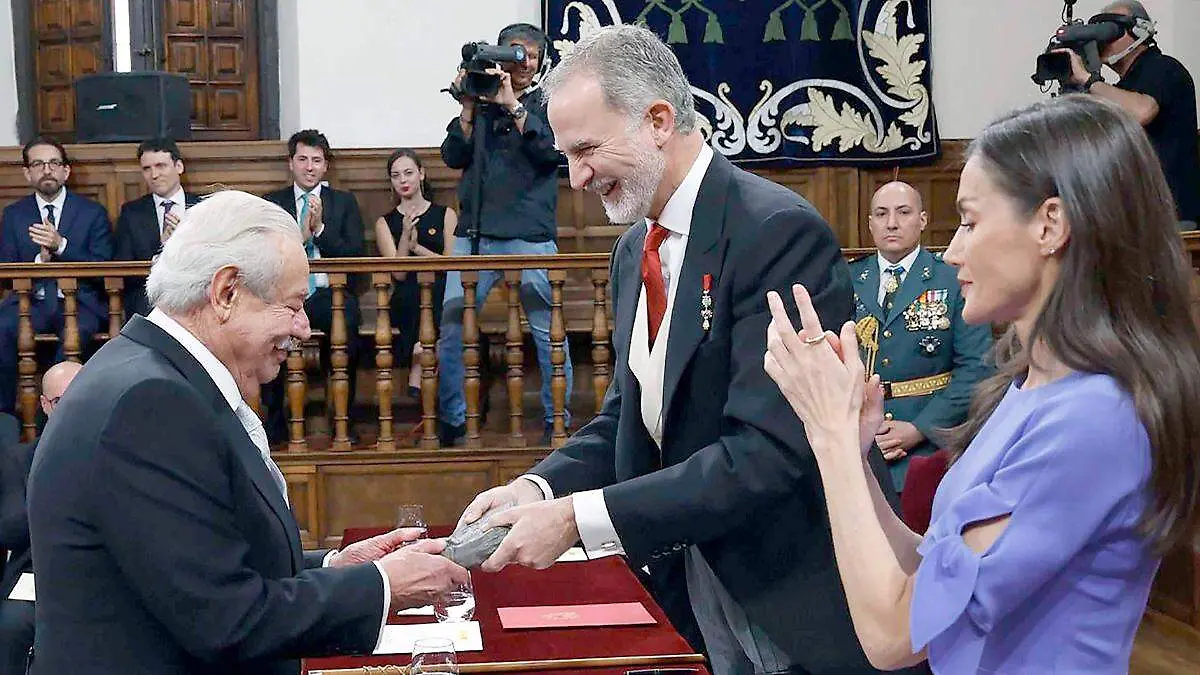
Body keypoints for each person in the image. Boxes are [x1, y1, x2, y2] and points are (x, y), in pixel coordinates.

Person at [456, 25, 919, 675]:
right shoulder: (630, 253)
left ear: (657, 120)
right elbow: (630, 415)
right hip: (701, 579)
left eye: (587, 149)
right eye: (565, 154)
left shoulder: (775, 233)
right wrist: (537, 486)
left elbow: (766, 454)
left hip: (798, 591)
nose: (576, 176)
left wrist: (576, 519)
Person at [763, 94, 1200, 673]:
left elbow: (894, 636)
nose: (953, 250)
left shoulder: (1094, 416)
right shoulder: (1031, 386)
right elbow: (930, 573)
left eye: (969, 220)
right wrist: (853, 443)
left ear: (1050, 224)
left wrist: (830, 440)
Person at [26, 190, 468, 674]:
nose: (304, 328)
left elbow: (199, 559)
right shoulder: (150, 403)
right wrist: (383, 587)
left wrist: (333, 569)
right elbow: (226, 619)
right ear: (226, 292)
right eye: (294, 304)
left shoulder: (148, 372)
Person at [438, 22, 572, 446]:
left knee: (548, 333)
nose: (524, 61)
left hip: (529, 237)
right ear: (499, 53)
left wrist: (513, 106)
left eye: (532, 55)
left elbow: (551, 153)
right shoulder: (479, 98)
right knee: (451, 328)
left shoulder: (551, 102)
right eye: (516, 52)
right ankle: (454, 421)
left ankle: (557, 421)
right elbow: (452, 156)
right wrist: (467, 107)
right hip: (474, 235)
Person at [848, 181, 992, 491]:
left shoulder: (954, 278)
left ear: (923, 220)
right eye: (881, 214)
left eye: (903, 212)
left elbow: (978, 369)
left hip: (931, 451)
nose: (892, 223)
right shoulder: (848, 280)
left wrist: (919, 428)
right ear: (869, 223)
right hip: (859, 449)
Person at [261, 130, 368, 444]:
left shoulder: (344, 202)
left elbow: (354, 256)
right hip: (285, 296)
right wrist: (300, 238)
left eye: (316, 161)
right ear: (291, 163)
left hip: (328, 295)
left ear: (326, 166)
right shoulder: (273, 203)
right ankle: (276, 423)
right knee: (266, 326)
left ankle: (343, 419)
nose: (309, 167)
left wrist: (320, 229)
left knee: (346, 318)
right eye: (303, 159)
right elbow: (265, 253)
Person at [1059, 1, 1199, 229]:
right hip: (1133, 213)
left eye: (1111, 29)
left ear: (1140, 30)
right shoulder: (1119, 88)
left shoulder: (1164, 68)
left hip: (1170, 215)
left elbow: (1141, 112)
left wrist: (1089, 80)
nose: (1102, 40)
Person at [0, 137, 113, 415]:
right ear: (27, 173)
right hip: (31, 304)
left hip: (79, 303)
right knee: (2, 328)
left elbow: (103, 267)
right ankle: (4, 418)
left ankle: (56, 416)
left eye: (53, 163)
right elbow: (6, 268)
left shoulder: (92, 213)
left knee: (76, 334)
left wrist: (61, 246)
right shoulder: (14, 215)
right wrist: (41, 261)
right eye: (38, 164)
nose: (46, 170)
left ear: (66, 171)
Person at [0, 361, 80, 675]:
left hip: (102, 570)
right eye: (61, 401)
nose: (72, 406)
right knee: (13, 624)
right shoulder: (18, 460)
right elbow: (9, 527)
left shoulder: (118, 450)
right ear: (45, 405)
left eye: (81, 394)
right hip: (37, 573)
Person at [374, 149, 457, 398]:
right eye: (396, 175)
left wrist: (417, 248)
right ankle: (425, 351)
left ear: (421, 174)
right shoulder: (385, 222)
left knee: (439, 293)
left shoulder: (445, 215)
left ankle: (421, 359)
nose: (403, 180)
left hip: (443, 289)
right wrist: (404, 240)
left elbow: (450, 265)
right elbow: (398, 273)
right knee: (413, 293)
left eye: (409, 173)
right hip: (407, 296)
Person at [113, 137, 202, 319]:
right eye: (147, 169)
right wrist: (162, 250)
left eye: (161, 166)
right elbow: (123, 266)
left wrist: (181, 243)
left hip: (196, 296)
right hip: (149, 301)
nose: (154, 175)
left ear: (179, 167)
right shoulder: (132, 213)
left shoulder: (202, 207)